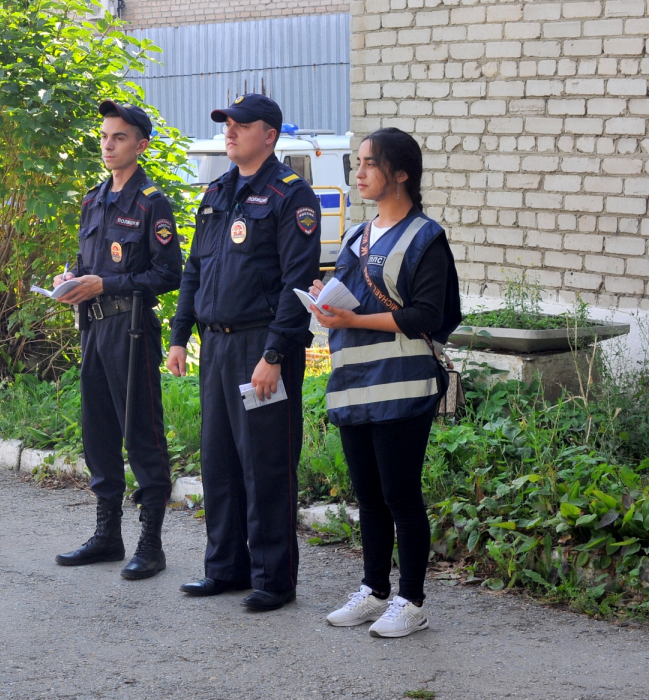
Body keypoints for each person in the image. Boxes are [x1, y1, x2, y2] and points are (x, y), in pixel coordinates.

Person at [167, 94, 321, 612]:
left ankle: (274, 580)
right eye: (226, 124)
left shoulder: (289, 196)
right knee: (220, 461)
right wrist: (178, 335)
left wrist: (275, 354)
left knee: (266, 463)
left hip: (261, 345)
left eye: (240, 125)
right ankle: (225, 568)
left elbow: (296, 282)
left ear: (269, 134)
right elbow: (195, 269)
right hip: (216, 345)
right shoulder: (217, 191)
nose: (229, 132)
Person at [312, 127, 461, 638]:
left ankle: (412, 601)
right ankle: (374, 590)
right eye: (358, 163)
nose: (359, 173)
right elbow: (352, 297)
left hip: (403, 384)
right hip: (353, 382)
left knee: (401, 495)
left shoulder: (426, 237)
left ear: (401, 173)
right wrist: (325, 298)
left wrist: (352, 321)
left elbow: (426, 314)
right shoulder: (357, 234)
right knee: (368, 495)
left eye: (369, 164)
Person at [52, 101, 182, 580]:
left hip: (131, 329)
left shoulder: (152, 202)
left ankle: (151, 544)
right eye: (104, 137)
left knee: (142, 435)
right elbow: (90, 262)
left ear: (140, 144)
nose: (108, 145)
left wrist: (106, 284)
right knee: (99, 434)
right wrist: (73, 277)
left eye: (119, 137)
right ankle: (108, 534)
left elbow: (169, 273)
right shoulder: (94, 199)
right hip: (93, 328)